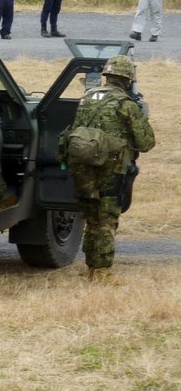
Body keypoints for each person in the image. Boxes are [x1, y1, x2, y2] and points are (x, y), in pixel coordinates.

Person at [65, 55, 155, 281]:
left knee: (92, 219)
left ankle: (92, 268)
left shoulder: (87, 98)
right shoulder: (126, 104)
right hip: (110, 168)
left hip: (82, 165)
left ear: (107, 75)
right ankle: (102, 272)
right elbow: (146, 143)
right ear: (127, 79)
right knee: (106, 220)